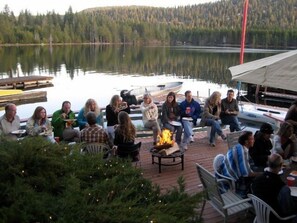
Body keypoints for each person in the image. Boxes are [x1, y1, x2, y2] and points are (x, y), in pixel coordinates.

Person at [252, 153, 295, 222]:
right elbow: (287, 209)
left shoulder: (257, 179)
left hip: (260, 213)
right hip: (275, 218)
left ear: (267, 164)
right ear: (281, 166)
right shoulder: (281, 186)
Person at [221, 131, 259, 197]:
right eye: (252, 139)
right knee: (260, 179)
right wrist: (264, 173)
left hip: (224, 173)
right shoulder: (243, 152)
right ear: (246, 142)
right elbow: (246, 174)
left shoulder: (237, 146)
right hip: (231, 181)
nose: (254, 140)